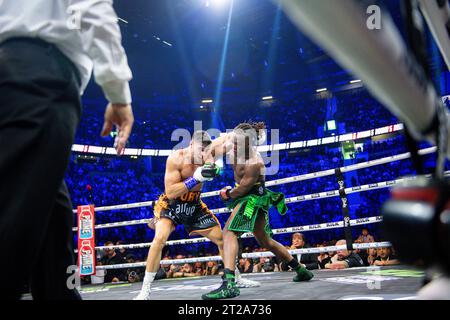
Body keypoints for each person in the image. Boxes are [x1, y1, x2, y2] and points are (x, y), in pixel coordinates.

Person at [0, 0, 134, 300]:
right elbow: (91, 8)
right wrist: (118, 93)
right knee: (13, 220)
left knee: (52, 224)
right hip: (39, 79)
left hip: (13, 76)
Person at [135, 131, 257, 299]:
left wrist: (246, 133)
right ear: (191, 145)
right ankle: (145, 290)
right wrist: (194, 179)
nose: (202, 155)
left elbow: (228, 139)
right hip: (171, 206)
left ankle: (236, 278)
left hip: (194, 205)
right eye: (199, 151)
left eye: (205, 152)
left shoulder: (210, 152)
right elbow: (170, 192)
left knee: (222, 239)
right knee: (159, 239)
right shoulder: (175, 159)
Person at [202, 122, 313, 300]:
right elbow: (211, 150)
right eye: (234, 139)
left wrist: (227, 193)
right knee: (265, 241)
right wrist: (209, 163)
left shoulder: (255, 162)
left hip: (252, 199)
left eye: (239, 142)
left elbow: (243, 190)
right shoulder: (232, 142)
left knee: (229, 233)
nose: (235, 144)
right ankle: (301, 270)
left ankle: (229, 283)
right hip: (246, 195)